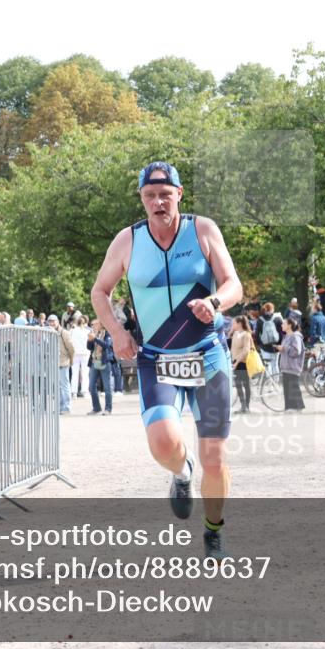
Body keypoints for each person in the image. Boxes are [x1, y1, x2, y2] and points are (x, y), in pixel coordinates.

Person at [90, 160, 242, 559]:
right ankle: (180, 473)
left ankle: (213, 529)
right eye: (149, 196)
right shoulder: (128, 241)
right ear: (142, 199)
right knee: (163, 445)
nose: (158, 202)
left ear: (178, 194)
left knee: (215, 457)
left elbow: (233, 285)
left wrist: (214, 301)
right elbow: (100, 292)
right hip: (157, 358)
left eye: (165, 194)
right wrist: (118, 332)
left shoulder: (203, 230)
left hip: (207, 355)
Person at [276, 316, 305, 412]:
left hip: (293, 366)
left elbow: (296, 351)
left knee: (293, 387)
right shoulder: (286, 336)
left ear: (289, 325)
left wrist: (284, 348)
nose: (281, 325)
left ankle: (297, 407)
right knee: (287, 387)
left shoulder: (295, 336)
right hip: (286, 366)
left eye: (284, 323)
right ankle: (289, 407)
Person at [86, 319, 115, 415]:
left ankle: (108, 409)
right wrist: (89, 340)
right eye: (92, 324)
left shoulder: (108, 334)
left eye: (94, 324)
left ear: (101, 325)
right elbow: (89, 348)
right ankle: (96, 408)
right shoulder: (94, 333)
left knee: (107, 387)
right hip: (94, 362)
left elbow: (107, 345)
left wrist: (94, 339)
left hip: (105, 362)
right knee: (91, 386)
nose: (92, 326)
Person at [48, 316, 74, 414]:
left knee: (65, 386)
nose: (51, 323)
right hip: (54, 363)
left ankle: (66, 408)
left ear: (58, 321)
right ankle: (60, 407)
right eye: (49, 321)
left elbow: (71, 348)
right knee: (58, 387)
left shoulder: (64, 333)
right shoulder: (49, 333)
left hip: (63, 362)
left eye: (53, 321)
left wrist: (71, 360)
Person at [229, 316, 254, 414]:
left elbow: (246, 351)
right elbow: (233, 348)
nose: (232, 325)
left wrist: (237, 362)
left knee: (246, 384)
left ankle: (246, 406)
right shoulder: (235, 334)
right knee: (238, 385)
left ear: (239, 323)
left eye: (234, 323)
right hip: (235, 362)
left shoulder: (247, 335)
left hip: (243, 363)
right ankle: (242, 405)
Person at [70, 316, 91, 399]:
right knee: (85, 373)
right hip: (85, 353)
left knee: (74, 373)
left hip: (76, 353)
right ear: (85, 322)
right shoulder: (88, 331)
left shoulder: (72, 331)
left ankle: (74, 392)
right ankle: (85, 391)